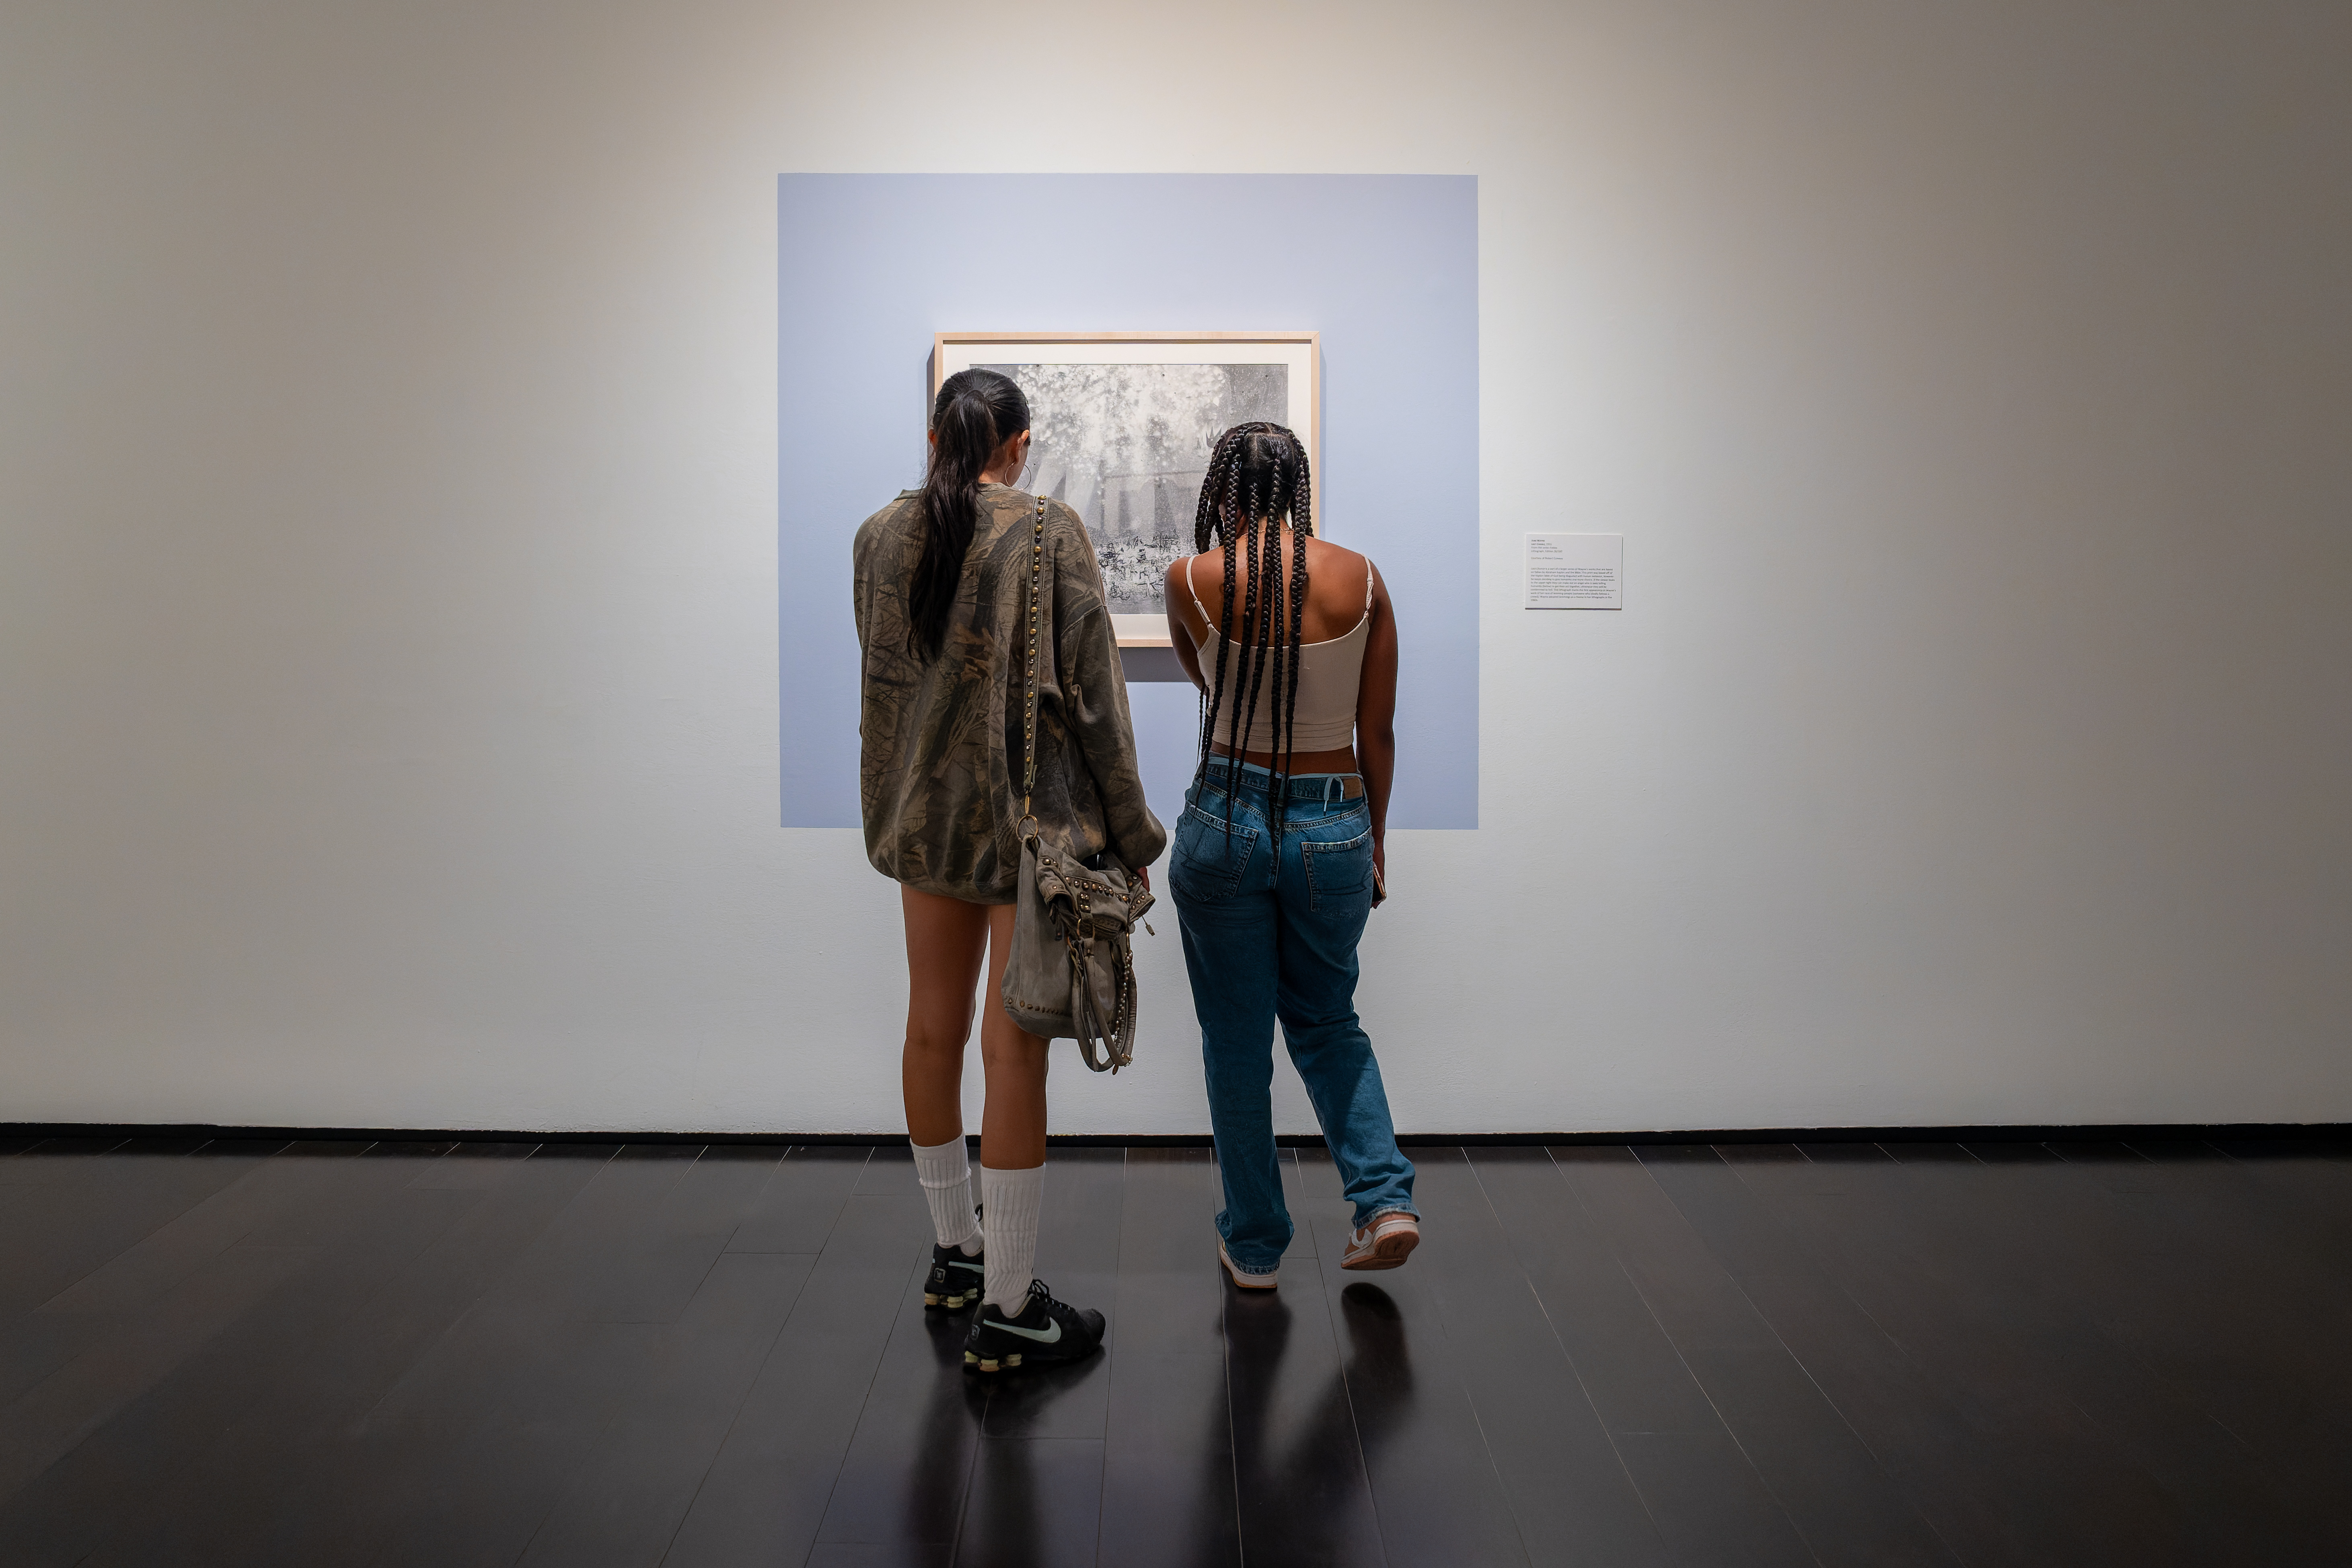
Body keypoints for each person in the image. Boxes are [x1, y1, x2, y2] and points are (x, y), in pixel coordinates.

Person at [853, 368, 1166, 1371]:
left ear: (935, 434)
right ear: (1017, 443)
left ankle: (956, 1255)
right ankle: (1012, 1306)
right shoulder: (1046, 531)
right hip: (1028, 834)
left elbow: (884, 680)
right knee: (1013, 1050)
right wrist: (1132, 834)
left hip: (920, 823)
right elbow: (1098, 703)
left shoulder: (876, 536)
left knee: (928, 1029)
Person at [1162, 422, 1418, 1291]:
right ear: (1299, 488)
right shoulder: (1364, 578)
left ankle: (1257, 1246)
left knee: (1234, 1044)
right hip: (1333, 822)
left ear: (1222, 494)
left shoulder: (1192, 580)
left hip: (1226, 817)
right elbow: (1374, 731)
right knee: (1326, 1021)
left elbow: (1211, 684)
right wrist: (1373, 840)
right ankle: (1383, 1200)